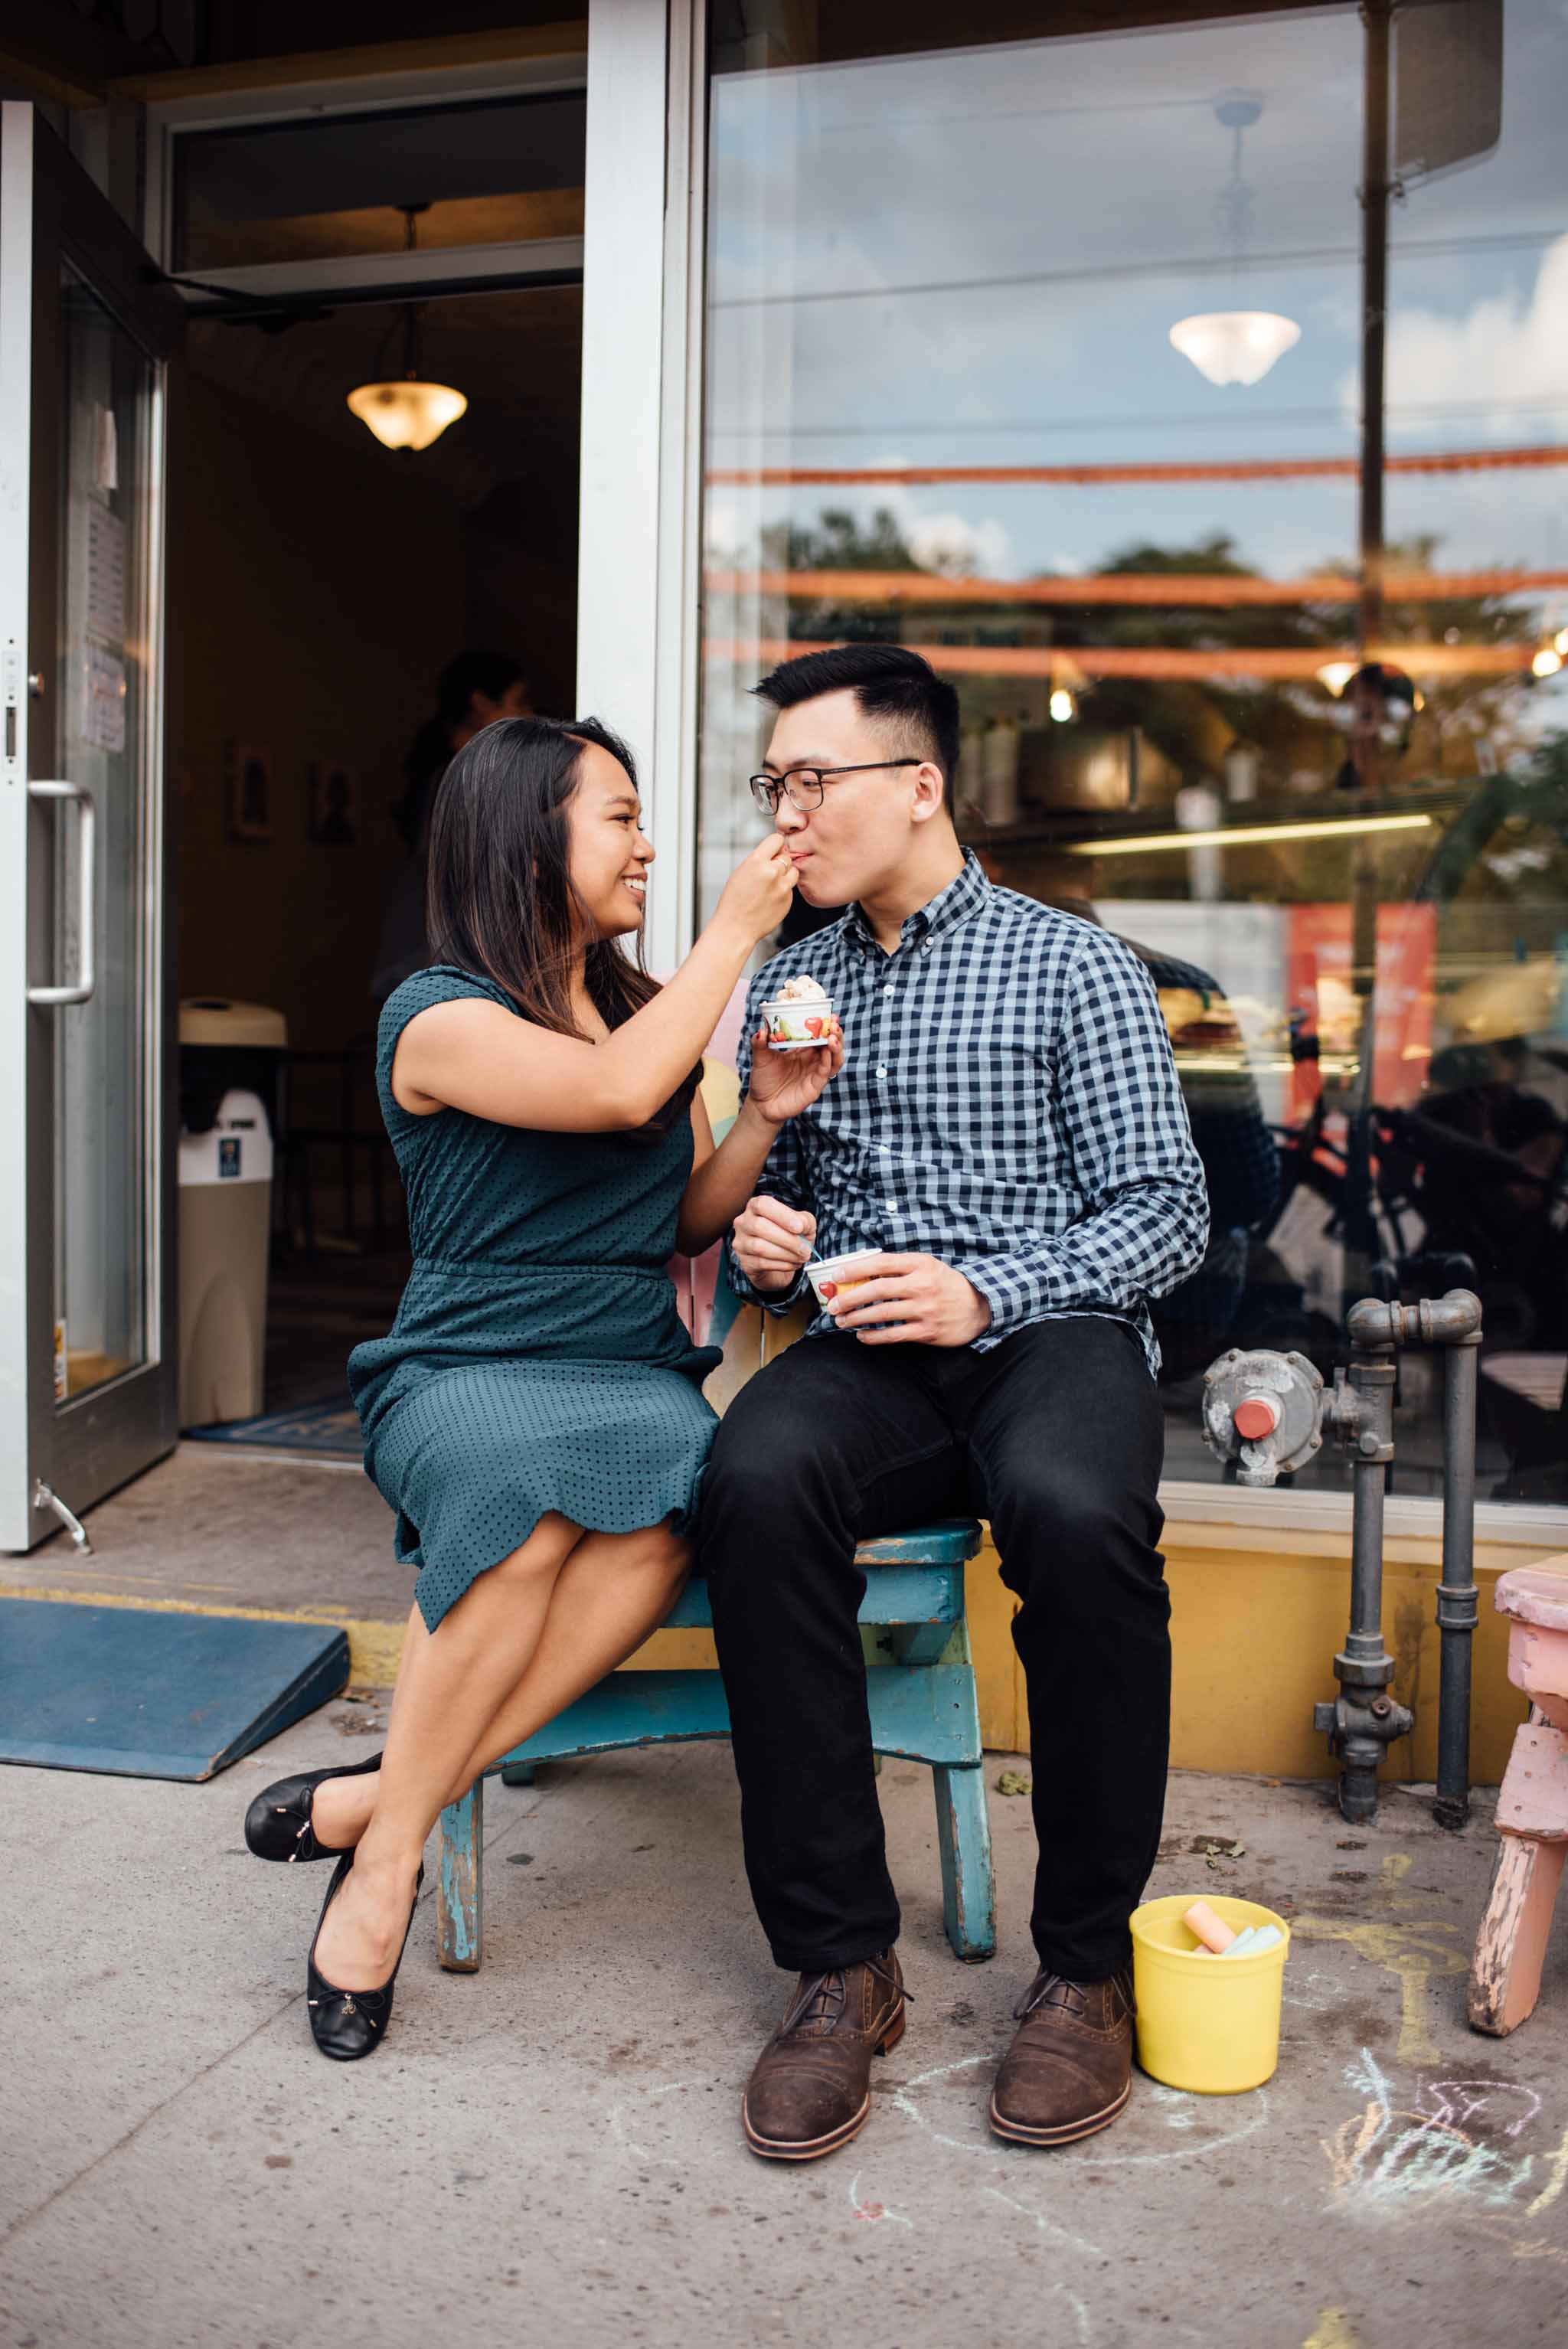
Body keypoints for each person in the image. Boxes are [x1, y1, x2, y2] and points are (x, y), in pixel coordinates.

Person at [245, 714, 841, 2060]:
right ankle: (392, 1864)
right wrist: (737, 935)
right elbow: (619, 1096)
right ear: (529, 838)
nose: (646, 841)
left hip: (624, 1360)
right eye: (618, 816)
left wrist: (759, 1116)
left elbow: (680, 1216)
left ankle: (369, 1812)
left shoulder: (640, 1009)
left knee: (671, 1506)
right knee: (519, 1505)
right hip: (466, 1364)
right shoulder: (437, 1012)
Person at [701, 643, 1208, 2160]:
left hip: (1047, 1334)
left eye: (813, 782)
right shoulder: (797, 981)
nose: (787, 814)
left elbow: (1166, 1212)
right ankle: (837, 1963)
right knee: (750, 1478)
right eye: (771, 785)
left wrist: (988, 1291)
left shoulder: (1075, 966)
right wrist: (768, 1236)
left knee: (1073, 1509)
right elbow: (774, 1198)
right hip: (872, 1358)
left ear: (918, 786)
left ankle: (1083, 1969)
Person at [371, 652, 534, 1004]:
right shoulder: (461, 778)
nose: (528, 715)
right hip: (434, 941)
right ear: (480, 703)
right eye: (519, 703)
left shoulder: (445, 771)